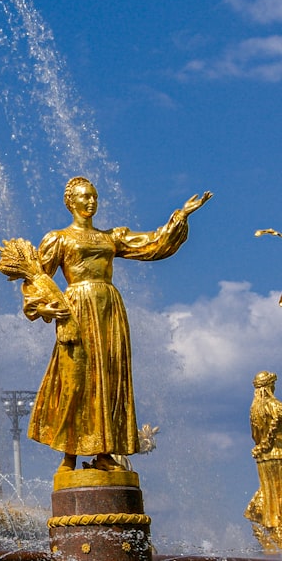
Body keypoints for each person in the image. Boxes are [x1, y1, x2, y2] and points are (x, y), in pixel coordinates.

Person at [22, 177, 209, 473]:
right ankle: (69, 455)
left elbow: (152, 244)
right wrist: (46, 307)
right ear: (70, 202)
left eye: (94, 197)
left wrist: (180, 217)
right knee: (75, 380)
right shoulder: (58, 239)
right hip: (77, 310)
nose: (91, 202)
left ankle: (104, 452)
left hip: (109, 309)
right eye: (85, 197)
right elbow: (36, 278)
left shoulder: (110, 237)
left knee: (108, 380)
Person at [247, 371, 282, 550]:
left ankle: (274, 532)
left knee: (270, 495)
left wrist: (263, 447)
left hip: (263, 458)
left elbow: (256, 436)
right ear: (269, 387)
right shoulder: (276, 406)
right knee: (278, 494)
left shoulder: (255, 410)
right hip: (279, 455)